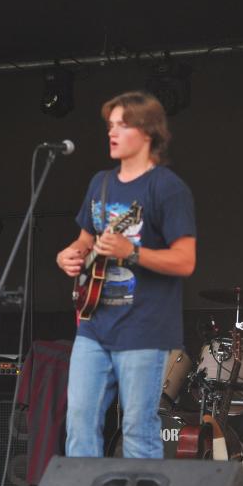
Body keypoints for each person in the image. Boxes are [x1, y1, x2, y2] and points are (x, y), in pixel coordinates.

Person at [56, 91, 196, 458]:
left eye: (123, 125)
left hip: (145, 327)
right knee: (79, 421)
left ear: (148, 134)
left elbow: (185, 261)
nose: (112, 133)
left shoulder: (166, 187)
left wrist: (131, 252)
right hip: (94, 324)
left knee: (137, 426)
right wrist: (69, 255)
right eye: (110, 126)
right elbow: (85, 240)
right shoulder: (100, 183)